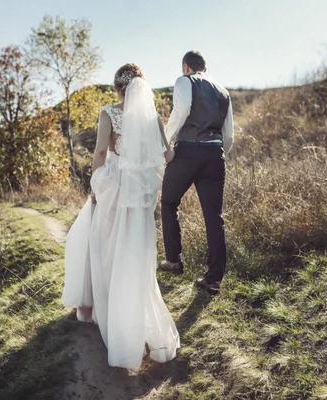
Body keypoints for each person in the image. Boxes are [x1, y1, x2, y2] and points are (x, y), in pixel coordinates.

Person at [62, 63, 180, 369]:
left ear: (118, 88)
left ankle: (111, 316)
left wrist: (93, 185)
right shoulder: (151, 116)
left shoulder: (109, 112)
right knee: (136, 255)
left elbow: (100, 152)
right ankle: (136, 322)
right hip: (141, 196)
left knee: (108, 250)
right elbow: (167, 155)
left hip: (114, 188)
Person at [159, 51, 234, 295]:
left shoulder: (185, 81)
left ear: (186, 67)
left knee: (169, 202)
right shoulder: (223, 91)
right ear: (205, 67)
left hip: (187, 152)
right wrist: (219, 153)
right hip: (215, 156)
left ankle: (174, 261)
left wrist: (166, 142)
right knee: (214, 217)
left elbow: (181, 109)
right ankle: (213, 279)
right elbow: (229, 134)